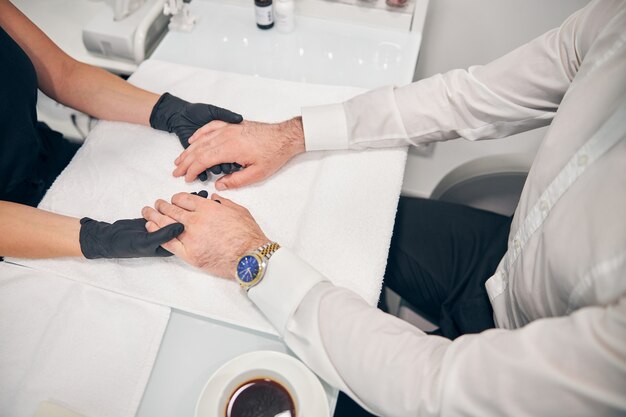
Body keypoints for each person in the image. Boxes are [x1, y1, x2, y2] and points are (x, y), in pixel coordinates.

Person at [143, 0, 626, 415]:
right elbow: (471, 98)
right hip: (503, 257)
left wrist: (251, 260)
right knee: (350, 213)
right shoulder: (614, 20)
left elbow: (433, 388)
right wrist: (292, 135)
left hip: (531, 367)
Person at [0, 0, 240, 260]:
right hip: (15, 233)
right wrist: (98, 239)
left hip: (48, 159)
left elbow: (62, 73)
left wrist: (170, 111)